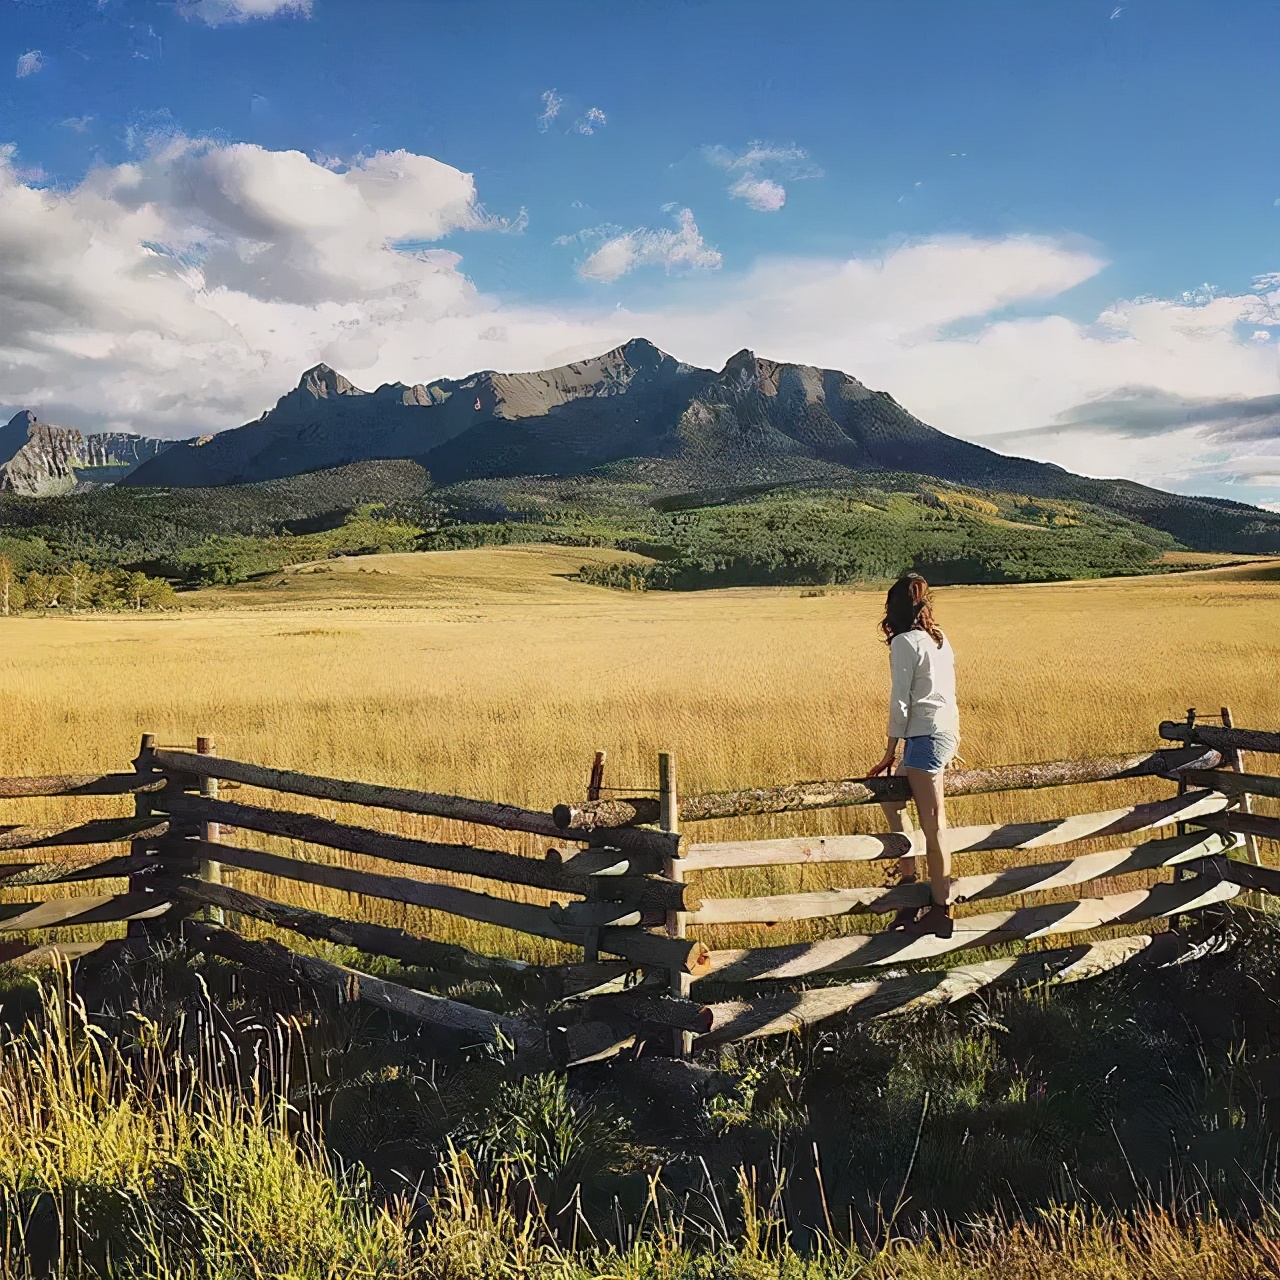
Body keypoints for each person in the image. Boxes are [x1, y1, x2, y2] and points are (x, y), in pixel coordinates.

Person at [867, 572, 960, 938]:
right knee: (892, 800)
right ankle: (910, 886)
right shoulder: (940, 640)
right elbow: (948, 693)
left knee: (935, 826)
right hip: (940, 735)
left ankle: (940, 910)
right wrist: (953, 741)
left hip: (924, 740)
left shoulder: (905, 643)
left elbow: (901, 701)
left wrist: (890, 751)